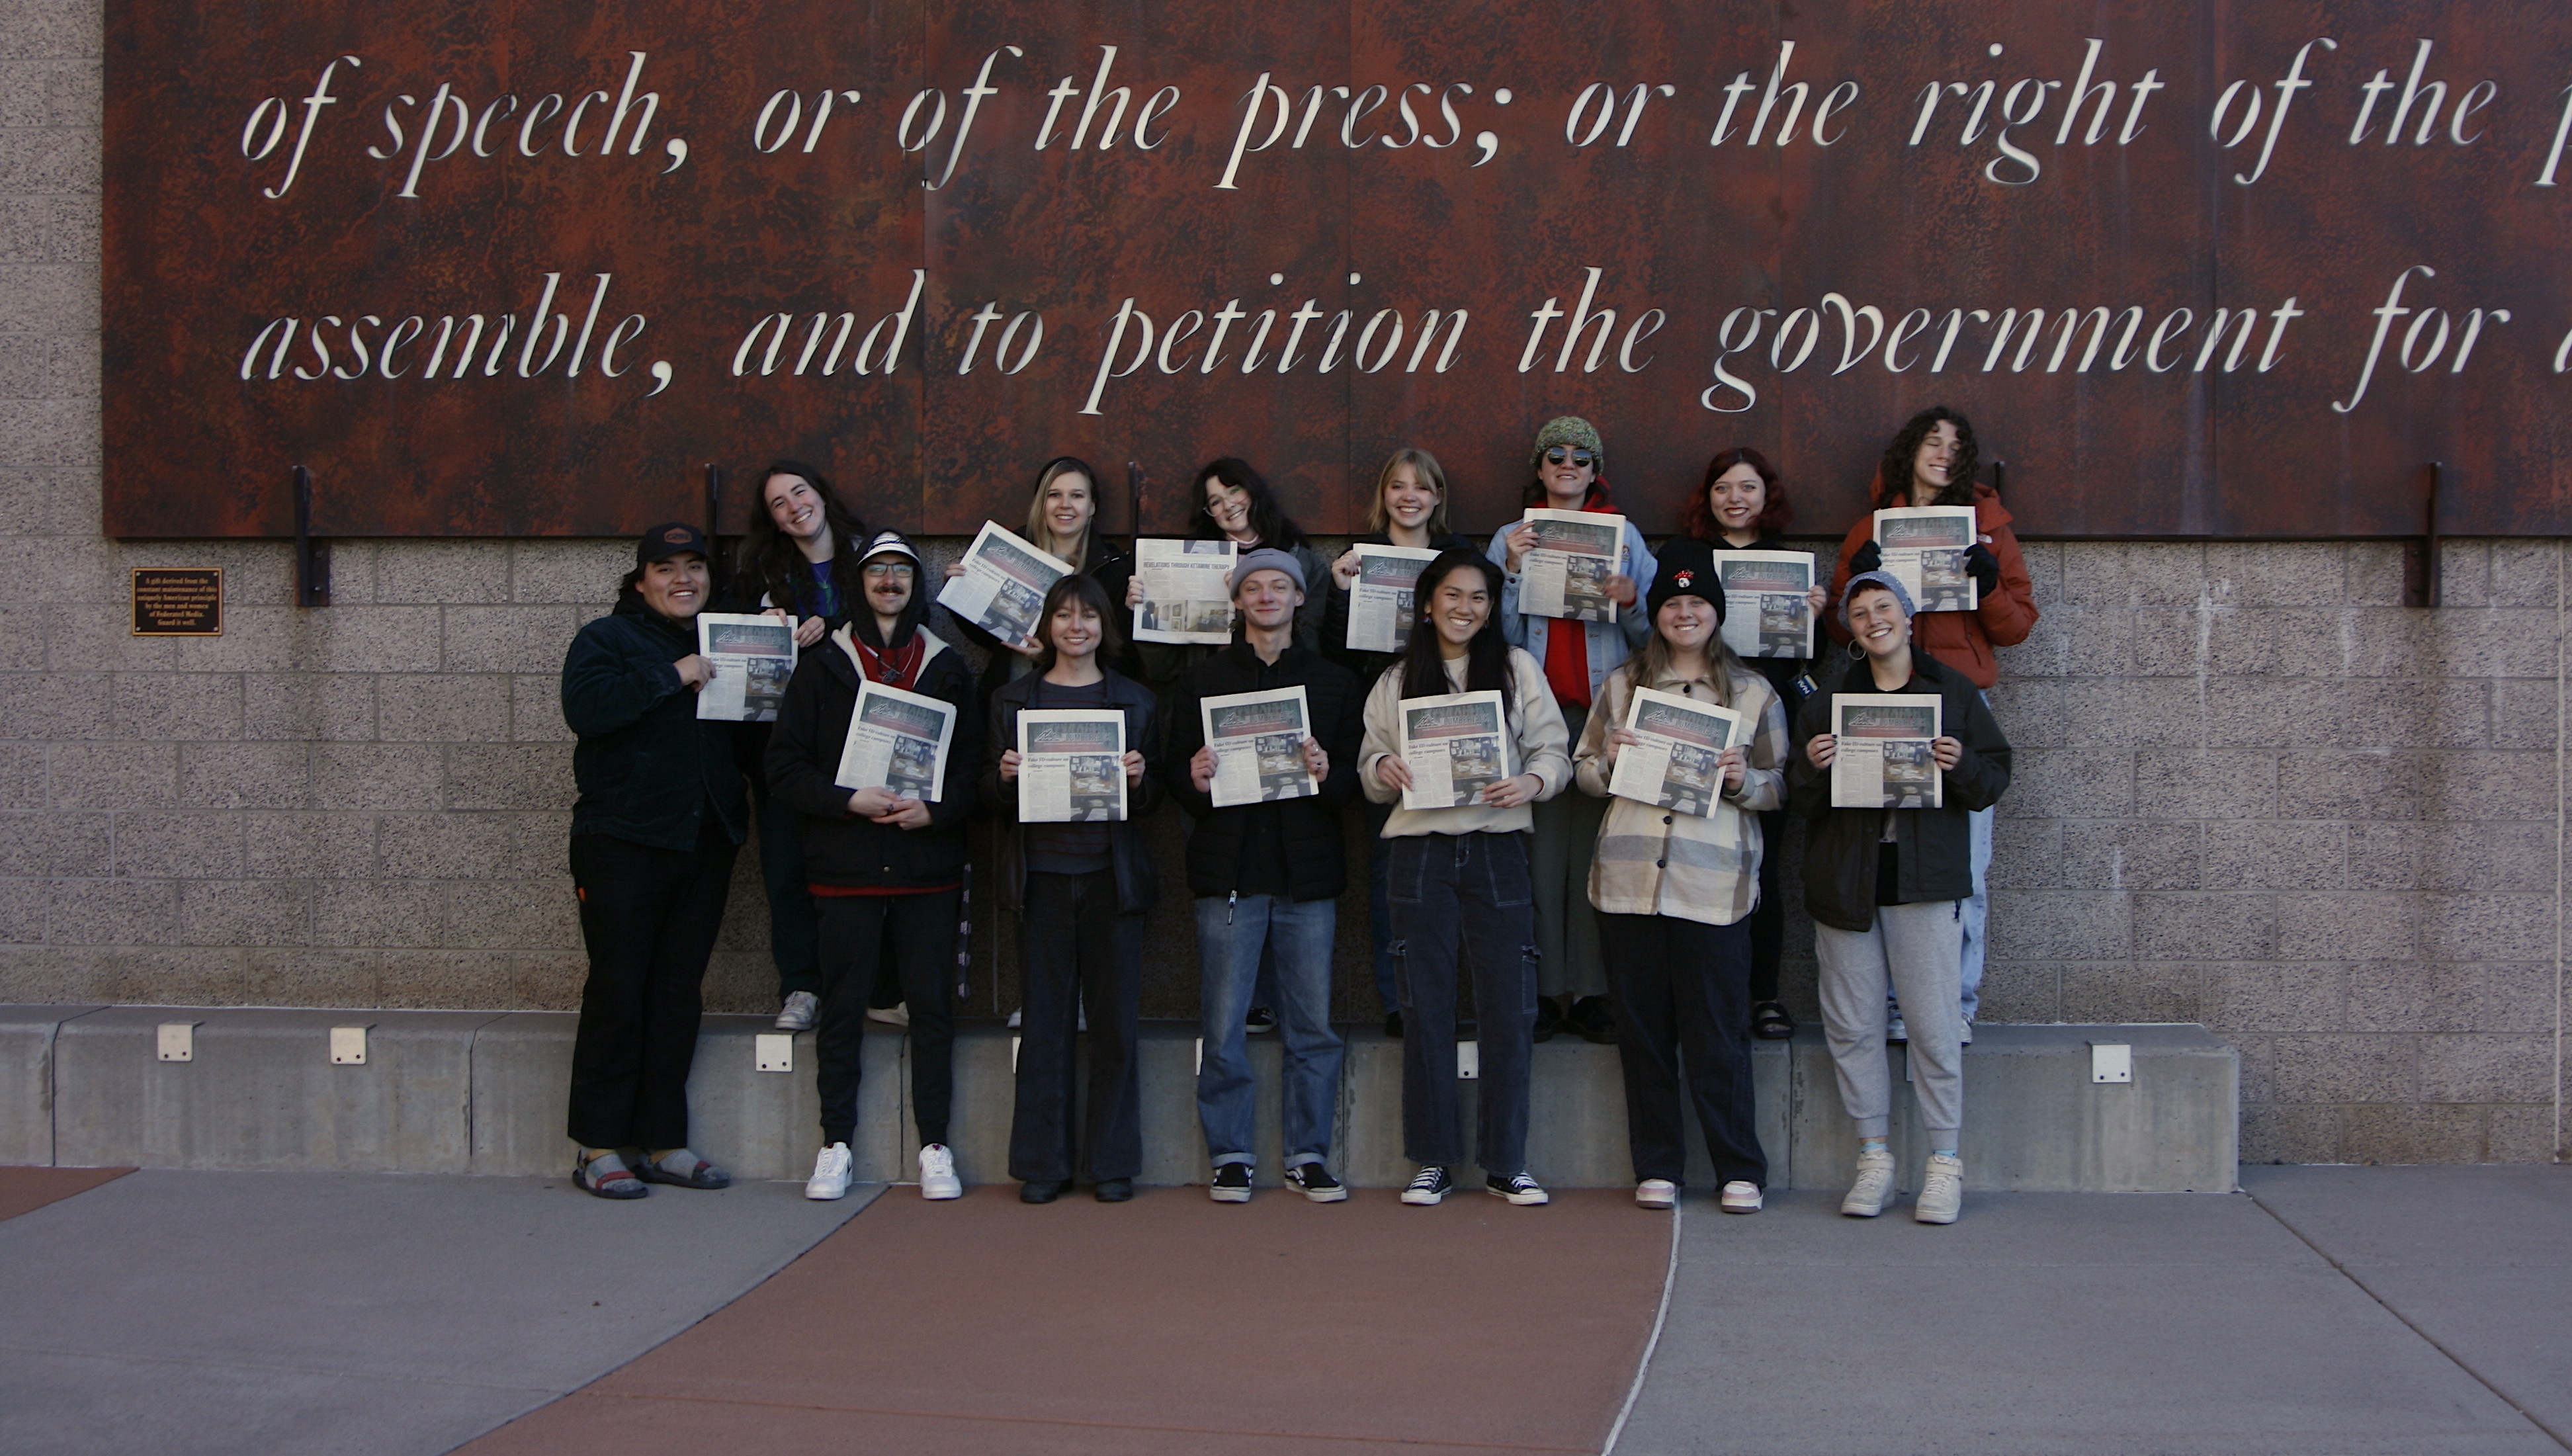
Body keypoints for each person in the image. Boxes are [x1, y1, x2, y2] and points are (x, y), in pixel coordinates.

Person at [1573, 538, 1787, 1213]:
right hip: (1631, 883)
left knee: (1717, 1034)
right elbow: (1582, 771)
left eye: (1698, 603)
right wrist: (1608, 758)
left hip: (1712, 887)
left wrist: (1741, 780)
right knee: (1643, 1035)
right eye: (1673, 603)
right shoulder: (1621, 685)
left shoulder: (1752, 692)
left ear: (1716, 613)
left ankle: (1737, 1166)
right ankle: (1659, 1162)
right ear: (1658, 613)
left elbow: (1783, 786)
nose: (1685, 613)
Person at [1790, 571, 2011, 1224]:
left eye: (1883, 606)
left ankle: (1944, 1162)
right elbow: (1799, 802)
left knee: (1934, 1025)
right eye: (1859, 612)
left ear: (1907, 615)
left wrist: (1960, 762)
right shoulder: (1829, 702)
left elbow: (1994, 777)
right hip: (1847, 884)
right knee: (1853, 1026)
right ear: (1851, 630)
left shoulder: (1953, 692)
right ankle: (1875, 1157)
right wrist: (1811, 765)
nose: (1872, 619)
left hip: (1924, 881)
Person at [765, 531, 979, 1203]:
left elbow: (972, 772)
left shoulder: (946, 666)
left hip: (926, 867)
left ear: (916, 584)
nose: (890, 581)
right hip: (845, 865)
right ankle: (836, 1142)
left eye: (902, 571)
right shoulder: (824, 663)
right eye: (878, 571)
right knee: (843, 1009)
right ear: (860, 583)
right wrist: (846, 799)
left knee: (933, 1008)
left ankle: (935, 1144)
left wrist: (935, 813)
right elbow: (783, 767)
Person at [1358, 550, 1571, 1208]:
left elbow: (1553, 749)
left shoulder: (1515, 669)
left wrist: (1532, 781)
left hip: (1496, 846)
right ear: (1428, 602)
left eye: (1479, 597)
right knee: (1425, 1006)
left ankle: (1508, 1159)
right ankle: (1432, 1158)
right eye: (1452, 594)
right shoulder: (1397, 678)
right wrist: (1384, 769)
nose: (1465, 608)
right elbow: (1369, 759)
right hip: (1418, 852)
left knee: (1510, 1004)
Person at [1160, 549, 1365, 1203]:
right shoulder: (1203, 680)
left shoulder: (1334, 682)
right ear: (1239, 600)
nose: (1269, 596)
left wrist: (1325, 769)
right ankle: (1231, 1153)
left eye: (1281, 586)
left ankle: (1308, 1153)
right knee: (1222, 1024)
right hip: (1230, 875)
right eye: (1256, 587)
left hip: (1307, 879)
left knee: (1313, 1026)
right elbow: (1177, 777)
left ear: (1300, 599)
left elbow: (1347, 793)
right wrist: (1192, 779)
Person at [1827, 407, 2037, 1039]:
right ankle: (1896, 1008)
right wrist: (1852, 573)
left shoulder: (1989, 527)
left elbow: (2018, 626)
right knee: (1889, 858)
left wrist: (1991, 583)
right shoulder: (1873, 526)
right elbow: (1844, 625)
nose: (1942, 453)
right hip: (1887, 700)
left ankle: (1956, 1007)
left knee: (1966, 865)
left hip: (1960, 705)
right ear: (1909, 450)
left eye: (1955, 445)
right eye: (1931, 441)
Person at [556, 523, 747, 1199]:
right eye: (665, 568)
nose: (682, 579)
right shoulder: (606, 639)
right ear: (641, 580)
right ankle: (600, 1145)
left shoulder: (725, 643)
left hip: (703, 842)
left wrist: (782, 649)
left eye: (694, 566)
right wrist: (674, 675)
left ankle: (665, 1140)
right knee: (618, 990)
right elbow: (588, 708)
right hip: (623, 842)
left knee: (675, 994)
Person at [1128, 456, 1330, 1037]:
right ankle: (1238, 999)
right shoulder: (1186, 563)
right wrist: (1148, 609)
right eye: (1213, 501)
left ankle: (1269, 996)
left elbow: (1316, 644)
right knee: (1222, 864)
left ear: (1253, 490)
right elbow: (1160, 666)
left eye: (1232, 491)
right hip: (1210, 730)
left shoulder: (1302, 560)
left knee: (1284, 859)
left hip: (1283, 729)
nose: (1225, 506)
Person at [984, 573, 1160, 1203]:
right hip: (1042, 882)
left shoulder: (1135, 702)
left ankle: (1111, 1162)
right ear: (1046, 626)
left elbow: (1155, 805)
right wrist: (1004, 778)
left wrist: (1140, 781)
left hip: (1112, 883)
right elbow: (991, 800)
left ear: (1104, 625)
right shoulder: (1012, 701)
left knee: (1115, 1027)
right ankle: (1043, 1162)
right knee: (1046, 1026)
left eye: (1089, 615)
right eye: (1063, 615)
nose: (1076, 626)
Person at [1489, 417, 1656, 1046]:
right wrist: (1508, 573)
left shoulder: (1626, 537)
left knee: (1594, 860)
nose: (1568, 464)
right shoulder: (1510, 536)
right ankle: (1539, 990)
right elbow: (1491, 639)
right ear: (1538, 465)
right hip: (1534, 720)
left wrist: (1631, 601)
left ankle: (1589, 993)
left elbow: (1656, 637)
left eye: (1581, 457)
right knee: (1538, 863)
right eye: (1555, 454)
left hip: (1602, 718)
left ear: (1595, 469)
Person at [1324, 448, 1479, 1039]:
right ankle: (1401, 1000)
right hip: (1383, 723)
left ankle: (1458, 997)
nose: (1409, 496)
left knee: (1464, 865)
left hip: (1453, 718)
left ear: (1438, 496)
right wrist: (1341, 595)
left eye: (1422, 486)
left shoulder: (1462, 559)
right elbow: (1338, 658)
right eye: (1397, 486)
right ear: (1383, 495)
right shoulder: (1356, 560)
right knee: (1394, 868)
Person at [1678, 447, 1830, 1042]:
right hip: (1698, 717)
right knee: (1694, 856)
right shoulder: (1686, 559)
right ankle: (1696, 994)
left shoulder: (1789, 564)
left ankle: (1762, 993)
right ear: (1708, 495)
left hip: (1768, 724)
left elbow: (1808, 662)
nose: (1735, 498)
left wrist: (1814, 619)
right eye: (1722, 487)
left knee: (1761, 861)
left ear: (1768, 496)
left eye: (1747, 487)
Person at [724, 461, 867, 1037]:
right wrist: (766, 627)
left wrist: (833, 630)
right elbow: (730, 661)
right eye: (779, 502)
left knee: (858, 875)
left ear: (822, 493)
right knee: (786, 869)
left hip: (858, 744)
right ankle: (801, 986)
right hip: (783, 749)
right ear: (773, 520)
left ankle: (863, 988)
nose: (793, 506)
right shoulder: (760, 575)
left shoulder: (872, 556)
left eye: (799, 492)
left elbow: (909, 622)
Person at [945, 454, 1138, 708]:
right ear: (1041, 503)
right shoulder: (1008, 553)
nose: (1065, 505)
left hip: (1085, 705)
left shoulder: (1114, 570)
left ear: (1092, 507)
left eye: (1077, 496)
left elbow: (1120, 656)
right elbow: (986, 637)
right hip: (1015, 694)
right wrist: (960, 590)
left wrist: (1051, 657)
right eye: (1054, 495)